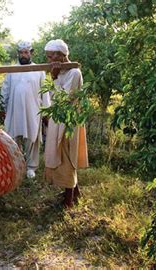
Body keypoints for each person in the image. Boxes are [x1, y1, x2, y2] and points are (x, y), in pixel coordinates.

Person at [43, 39, 88, 208]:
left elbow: (63, 98)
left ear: (60, 56)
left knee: (68, 154)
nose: (48, 61)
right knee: (60, 152)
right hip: (58, 118)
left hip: (69, 120)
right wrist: (55, 76)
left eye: (50, 57)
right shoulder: (60, 71)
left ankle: (68, 201)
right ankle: (75, 192)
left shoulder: (74, 73)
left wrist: (54, 77)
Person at [1, 41, 50, 179]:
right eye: (21, 52)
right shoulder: (12, 70)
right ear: (18, 53)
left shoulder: (39, 70)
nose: (23, 55)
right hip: (14, 110)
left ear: (31, 53)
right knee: (13, 138)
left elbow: (44, 92)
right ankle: (15, 166)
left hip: (33, 111)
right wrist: (3, 107)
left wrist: (45, 112)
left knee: (32, 138)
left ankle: (31, 167)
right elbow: (5, 90)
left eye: (26, 52)